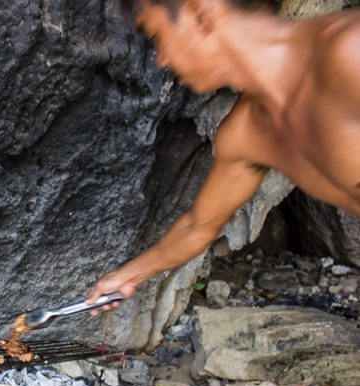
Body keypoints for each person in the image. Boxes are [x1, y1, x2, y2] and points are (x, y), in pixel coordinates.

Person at [86, 0, 360, 311]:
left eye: (158, 36)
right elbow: (198, 226)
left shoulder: (348, 52)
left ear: (201, 10)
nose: (161, 59)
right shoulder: (248, 132)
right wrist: (125, 276)